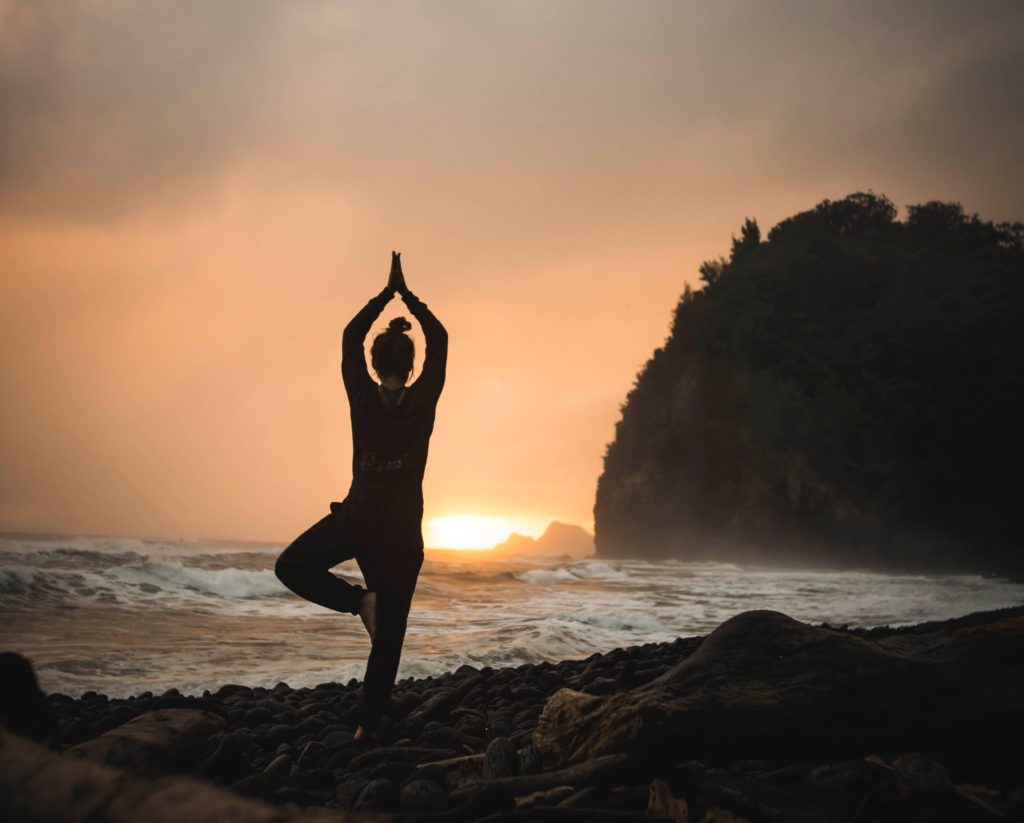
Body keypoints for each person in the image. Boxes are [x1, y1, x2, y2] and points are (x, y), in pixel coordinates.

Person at [275, 251, 447, 744]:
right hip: (401, 530)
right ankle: (365, 728)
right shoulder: (424, 398)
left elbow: (350, 337)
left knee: (291, 565)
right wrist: (409, 297)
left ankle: (358, 602)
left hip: (360, 518)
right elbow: (441, 338)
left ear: (373, 364)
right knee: (389, 636)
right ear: (412, 367)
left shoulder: (361, 395)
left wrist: (385, 295)